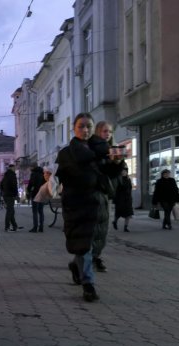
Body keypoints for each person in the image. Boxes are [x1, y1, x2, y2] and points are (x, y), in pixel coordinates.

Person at [55, 113, 123, 302]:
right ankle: (88, 285)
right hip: (77, 205)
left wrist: (117, 162)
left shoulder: (103, 149)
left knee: (93, 246)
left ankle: (76, 267)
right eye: (81, 126)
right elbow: (76, 173)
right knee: (83, 246)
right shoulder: (67, 153)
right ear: (74, 129)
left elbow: (111, 174)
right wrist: (102, 157)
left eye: (89, 126)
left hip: (98, 204)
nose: (85, 130)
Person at [90, 120, 119, 272]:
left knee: (102, 227)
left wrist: (118, 163)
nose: (107, 134)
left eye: (110, 132)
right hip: (96, 191)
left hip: (106, 192)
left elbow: (114, 173)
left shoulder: (112, 149)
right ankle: (90, 258)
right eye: (104, 131)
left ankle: (95, 256)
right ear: (98, 132)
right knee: (95, 227)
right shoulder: (96, 148)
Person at [0, 164, 21, 231]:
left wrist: (4, 192)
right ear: (12, 168)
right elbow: (14, 186)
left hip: (6, 195)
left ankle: (15, 226)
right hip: (10, 195)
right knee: (10, 211)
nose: (15, 169)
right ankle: (7, 227)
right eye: (14, 167)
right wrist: (16, 195)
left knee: (11, 211)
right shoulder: (12, 175)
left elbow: (1, 185)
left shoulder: (5, 175)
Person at [112, 166, 134, 232]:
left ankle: (125, 227)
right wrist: (115, 199)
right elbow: (115, 190)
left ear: (127, 172)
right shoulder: (118, 179)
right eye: (122, 171)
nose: (123, 172)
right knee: (118, 213)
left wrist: (130, 198)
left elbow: (130, 189)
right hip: (120, 199)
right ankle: (115, 222)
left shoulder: (128, 179)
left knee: (128, 213)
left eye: (125, 171)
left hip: (127, 199)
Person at [26, 164, 45, 233]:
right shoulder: (43, 173)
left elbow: (31, 183)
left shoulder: (33, 174)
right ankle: (41, 227)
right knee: (41, 211)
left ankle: (35, 227)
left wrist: (28, 190)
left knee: (35, 211)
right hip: (42, 194)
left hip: (35, 194)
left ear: (33, 167)